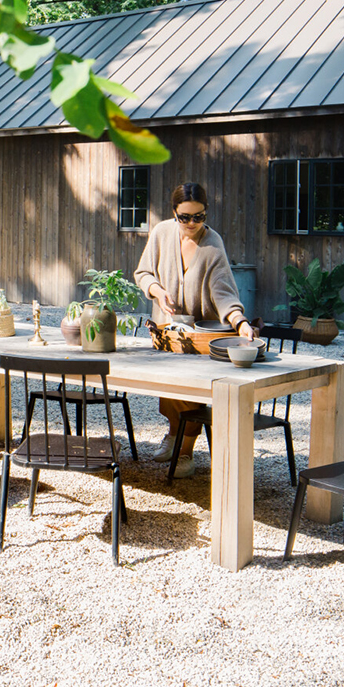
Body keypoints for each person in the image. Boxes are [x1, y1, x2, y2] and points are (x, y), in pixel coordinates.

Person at [134, 182, 257, 478]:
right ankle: (175, 435)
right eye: (184, 217)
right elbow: (143, 272)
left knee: (189, 391)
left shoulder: (213, 244)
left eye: (198, 217)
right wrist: (157, 290)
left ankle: (186, 451)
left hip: (200, 336)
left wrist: (240, 322)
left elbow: (224, 291)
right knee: (168, 388)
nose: (191, 223)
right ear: (174, 213)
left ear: (206, 213)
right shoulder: (162, 233)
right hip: (169, 332)